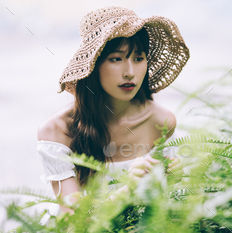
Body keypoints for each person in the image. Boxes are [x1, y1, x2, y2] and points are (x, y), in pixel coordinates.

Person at [36, 6, 190, 226]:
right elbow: (74, 222)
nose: (130, 72)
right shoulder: (57, 131)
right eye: (116, 59)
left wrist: (170, 178)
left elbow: (161, 209)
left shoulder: (161, 121)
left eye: (138, 58)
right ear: (93, 65)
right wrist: (128, 189)